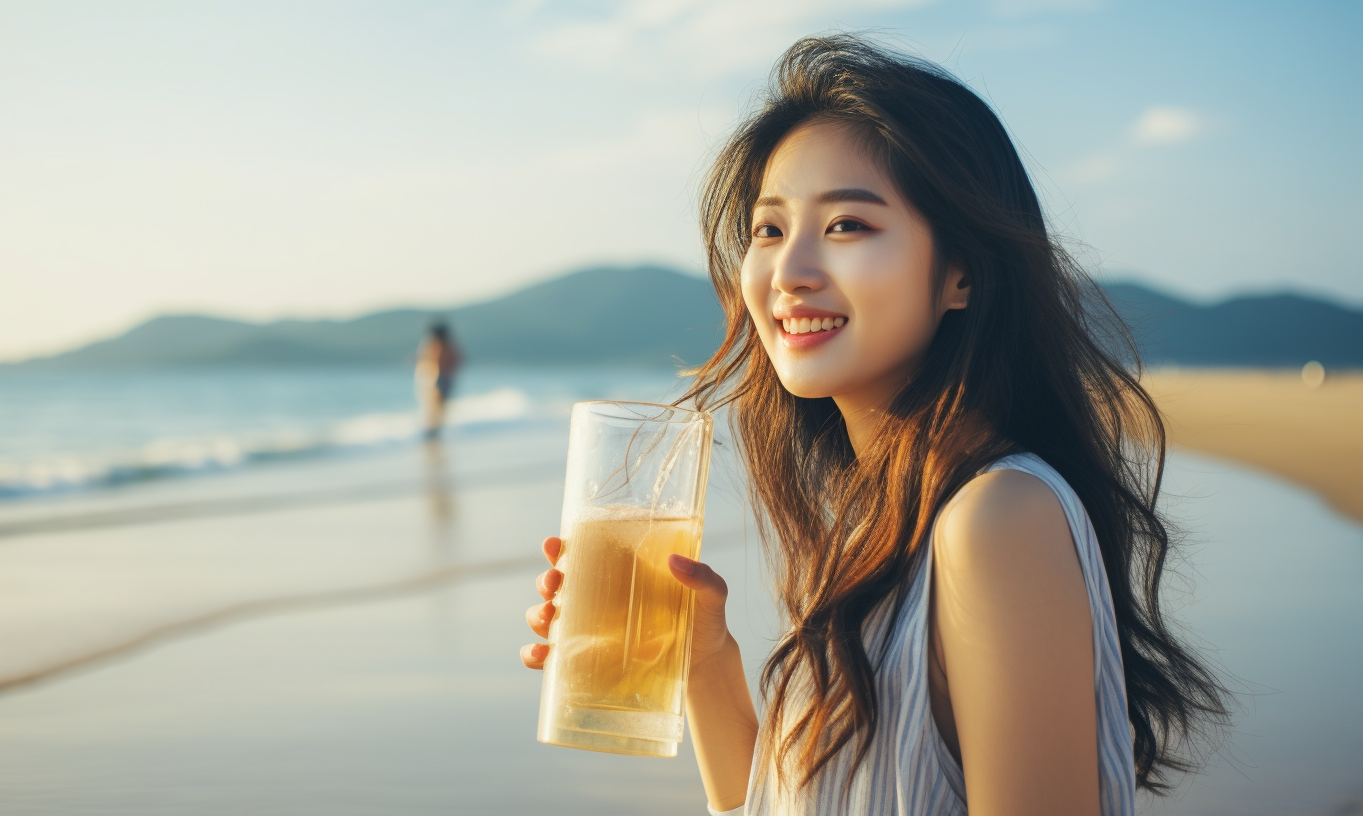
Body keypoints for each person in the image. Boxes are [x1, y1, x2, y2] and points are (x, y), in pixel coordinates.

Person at [521, 35, 1228, 816]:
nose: (790, 272)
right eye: (769, 230)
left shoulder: (997, 520)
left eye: (848, 225)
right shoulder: (876, 529)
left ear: (962, 272)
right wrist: (701, 658)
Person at [415, 321, 461, 439]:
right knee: (435, 406)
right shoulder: (441, 345)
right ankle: (432, 431)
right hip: (438, 379)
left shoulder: (438, 345)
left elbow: (423, 361)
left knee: (436, 406)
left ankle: (433, 432)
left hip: (440, 379)